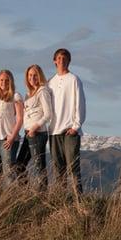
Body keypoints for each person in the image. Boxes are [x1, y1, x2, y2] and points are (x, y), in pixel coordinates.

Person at [47, 48, 86, 196]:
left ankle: (79, 200)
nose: (61, 61)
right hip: (54, 131)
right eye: (59, 58)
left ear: (69, 61)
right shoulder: (50, 82)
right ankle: (61, 199)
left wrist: (76, 126)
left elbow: (80, 103)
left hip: (70, 130)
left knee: (73, 167)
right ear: (54, 61)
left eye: (64, 59)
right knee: (58, 169)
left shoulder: (74, 79)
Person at [17, 64, 52, 190]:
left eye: (35, 75)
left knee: (39, 166)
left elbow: (48, 114)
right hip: (28, 133)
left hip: (38, 134)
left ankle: (42, 195)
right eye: (30, 75)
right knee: (19, 165)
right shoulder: (28, 94)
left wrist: (34, 128)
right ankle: (25, 193)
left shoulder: (42, 91)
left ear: (40, 76)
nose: (32, 77)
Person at [0, 69, 23, 182]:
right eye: (1, 80)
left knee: (8, 172)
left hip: (7, 139)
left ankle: (11, 198)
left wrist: (13, 137)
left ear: (11, 81)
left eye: (6, 80)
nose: (3, 82)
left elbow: (19, 118)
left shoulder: (15, 96)